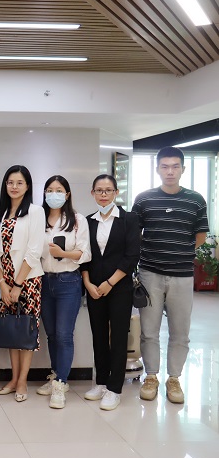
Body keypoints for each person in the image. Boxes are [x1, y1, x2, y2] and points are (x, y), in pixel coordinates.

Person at [132, 146, 208, 404]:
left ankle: (174, 379)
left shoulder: (196, 200)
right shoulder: (144, 200)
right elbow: (135, 234)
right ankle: (151, 376)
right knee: (148, 331)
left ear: (183, 169)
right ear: (157, 169)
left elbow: (200, 236)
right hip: (150, 274)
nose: (170, 171)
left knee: (180, 332)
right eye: (165, 166)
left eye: (175, 166)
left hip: (182, 276)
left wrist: (180, 253)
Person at [81, 174, 140, 411]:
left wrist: (110, 283)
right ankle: (101, 382)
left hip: (119, 288)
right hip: (94, 288)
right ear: (92, 193)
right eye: (99, 190)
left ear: (116, 192)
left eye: (108, 190)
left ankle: (114, 389)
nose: (103, 194)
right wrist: (88, 283)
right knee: (98, 336)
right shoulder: (88, 221)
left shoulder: (129, 219)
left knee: (118, 337)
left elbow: (132, 255)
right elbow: (84, 255)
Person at [36, 175, 91, 409]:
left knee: (64, 334)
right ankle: (56, 374)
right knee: (50, 334)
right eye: (49, 190)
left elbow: (85, 254)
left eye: (59, 190)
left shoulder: (77, 220)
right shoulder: (38, 218)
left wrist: (63, 253)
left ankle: (61, 383)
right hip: (43, 281)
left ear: (67, 194)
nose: (54, 194)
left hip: (68, 281)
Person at [0, 165, 45, 402]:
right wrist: (2, 283)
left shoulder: (35, 211)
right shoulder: (0, 212)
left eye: (19, 183)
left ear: (27, 186)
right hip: (4, 280)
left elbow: (34, 251)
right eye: (10, 182)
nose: (14, 187)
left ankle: (23, 381)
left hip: (28, 280)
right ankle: (13, 380)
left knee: (25, 329)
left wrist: (17, 284)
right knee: (11, 330)